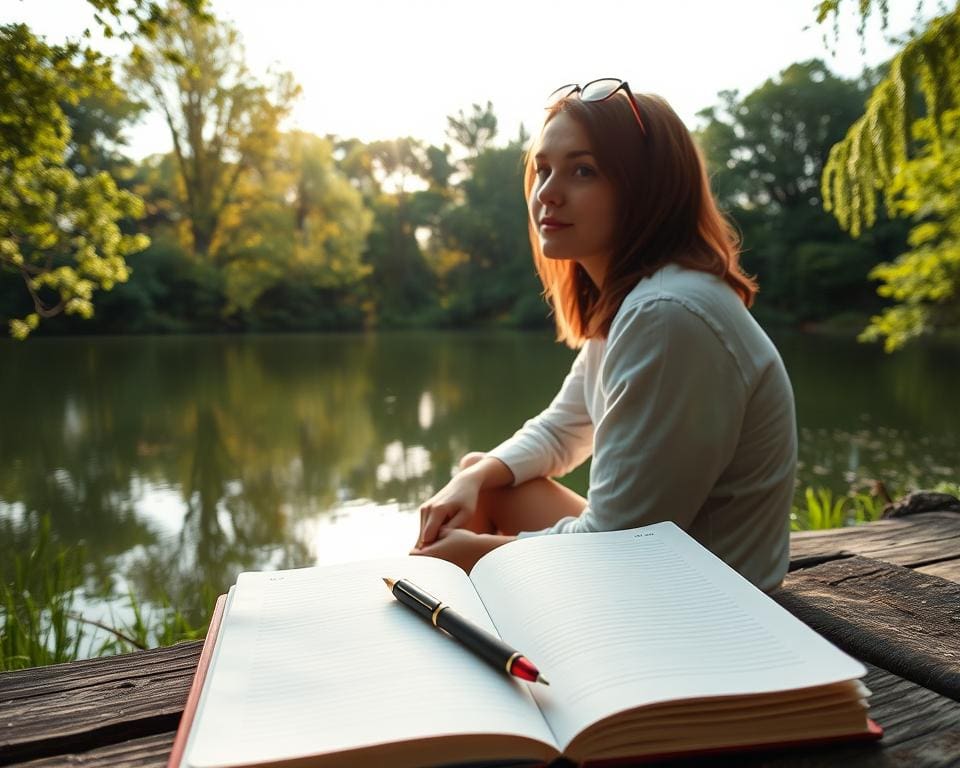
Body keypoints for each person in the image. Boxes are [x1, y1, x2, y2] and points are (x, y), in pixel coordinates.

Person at [411, 79, 797, 593]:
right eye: (542, 170)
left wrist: (473, 556)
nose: (547, 192)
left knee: (463, 554)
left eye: (583, 170)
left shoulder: (667, 315)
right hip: (664, 576)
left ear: (645, 188)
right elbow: (561, 431)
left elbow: (616, 544)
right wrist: (473, 480)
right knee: (485, 479)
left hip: (711, 610)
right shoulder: (632, 301)